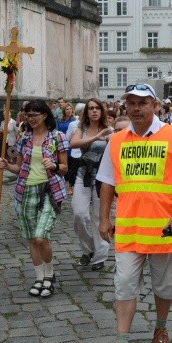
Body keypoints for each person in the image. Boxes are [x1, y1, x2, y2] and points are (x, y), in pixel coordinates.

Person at [97, 83, 172, 343]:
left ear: (155, 105)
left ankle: (161, 329)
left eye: (143, 103)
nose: (137, 108)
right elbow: (106, 182)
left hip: (164, 227)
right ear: (125, 106)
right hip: (128, 227)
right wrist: (104, 218)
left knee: (165, 285)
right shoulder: (116, 141)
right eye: (132, 103)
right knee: (124, 284)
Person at [0, 100, 68, 299]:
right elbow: (19, 168)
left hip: (49, 191)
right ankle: (39, 278)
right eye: (28, 115)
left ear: (45, 115)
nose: (31, 119)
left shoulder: (57, 137)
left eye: (35, 114)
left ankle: (50, 275)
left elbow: (64, 168)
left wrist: (53, 165)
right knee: (32, 239)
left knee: (40, 236)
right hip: (26, 190)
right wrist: (5, 165)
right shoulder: (23, 139)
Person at [70, 98, 112, 271]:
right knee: (79, 214)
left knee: (98, 217)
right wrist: (95, 137)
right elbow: (73, 144)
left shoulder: (108, 129)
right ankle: (88, 249)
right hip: (83, 174)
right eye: (91, 108)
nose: (94, 111)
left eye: (97, 108)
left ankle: (100, 256)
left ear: (101, 111)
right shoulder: (82, 129)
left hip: (102, 177)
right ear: (86, 112)